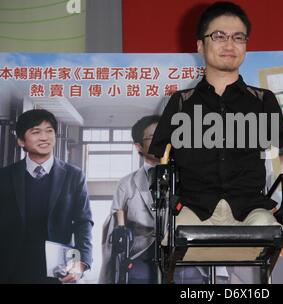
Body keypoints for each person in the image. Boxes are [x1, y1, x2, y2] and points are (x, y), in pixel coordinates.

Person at [149, 1, 283, 228]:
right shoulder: (180, 103)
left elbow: (279, 149)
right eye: (219, 36)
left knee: (269, 229)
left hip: (250, 209)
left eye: (238, 37)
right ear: (200, 46)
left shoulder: (264, 100)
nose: (229, 44)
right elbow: (161, 154)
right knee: (173, 237)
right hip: (194, 208)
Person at [99, 116, 209, 284]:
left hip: (184, 255)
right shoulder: (126, 184)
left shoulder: (193, 179)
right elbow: (115, 231)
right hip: (141, 255)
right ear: (139, 147)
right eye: (152, 137)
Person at [0, 109, 93, 283]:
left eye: (49, 131)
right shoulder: (5, 177)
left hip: (58, 270)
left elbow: (83, 222)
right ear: (21, 140)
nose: (44, 137)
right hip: (11, 269)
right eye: (36, 132)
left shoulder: (74, 176)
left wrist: (82, 262)